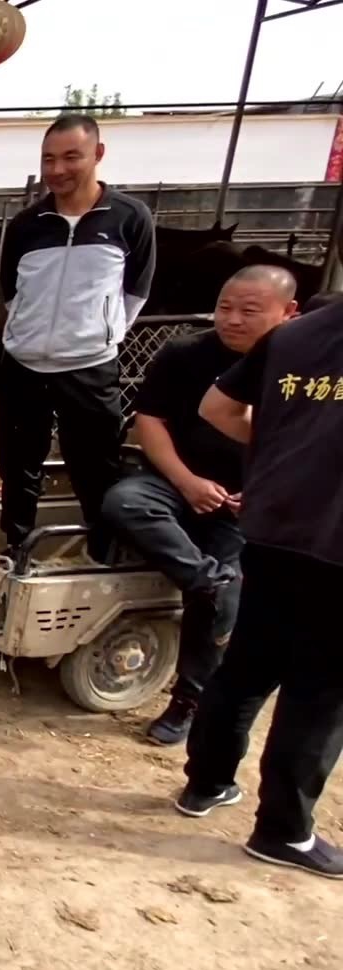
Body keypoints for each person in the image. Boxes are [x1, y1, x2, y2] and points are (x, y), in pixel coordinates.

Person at [173, 297, 343, 880]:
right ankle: (283, 831)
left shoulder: (293, 337)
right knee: (319, 691)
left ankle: (205, 784)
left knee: (248, 664)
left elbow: (217, 407)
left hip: (274, 525)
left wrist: (280, 456)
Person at [99, 266, 299, 746]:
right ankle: (205, 579)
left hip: (243, 502)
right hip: (176, 481)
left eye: (249, 311)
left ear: (288, 312)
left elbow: (307, 446)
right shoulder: (186, 352)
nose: (232, 320)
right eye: (225, 307)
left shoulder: (303, 367)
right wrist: (187, 482)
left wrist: (265, 491)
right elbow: (151, 421)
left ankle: (188, 699)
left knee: (223, 597)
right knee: (125, 501)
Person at [0, 114, 156, 560]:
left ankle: (102, 549)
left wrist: (97, 334)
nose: (58, 170)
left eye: (71, 157)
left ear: (97, 155)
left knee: (94, 464)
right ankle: (17, 546)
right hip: (24, 361)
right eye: (49, 159)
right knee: (18, 463)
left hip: (89, 363)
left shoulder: (129, 218)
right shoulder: (28, 224)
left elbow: (135, 291)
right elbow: (13, 292)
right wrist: (33, 332)